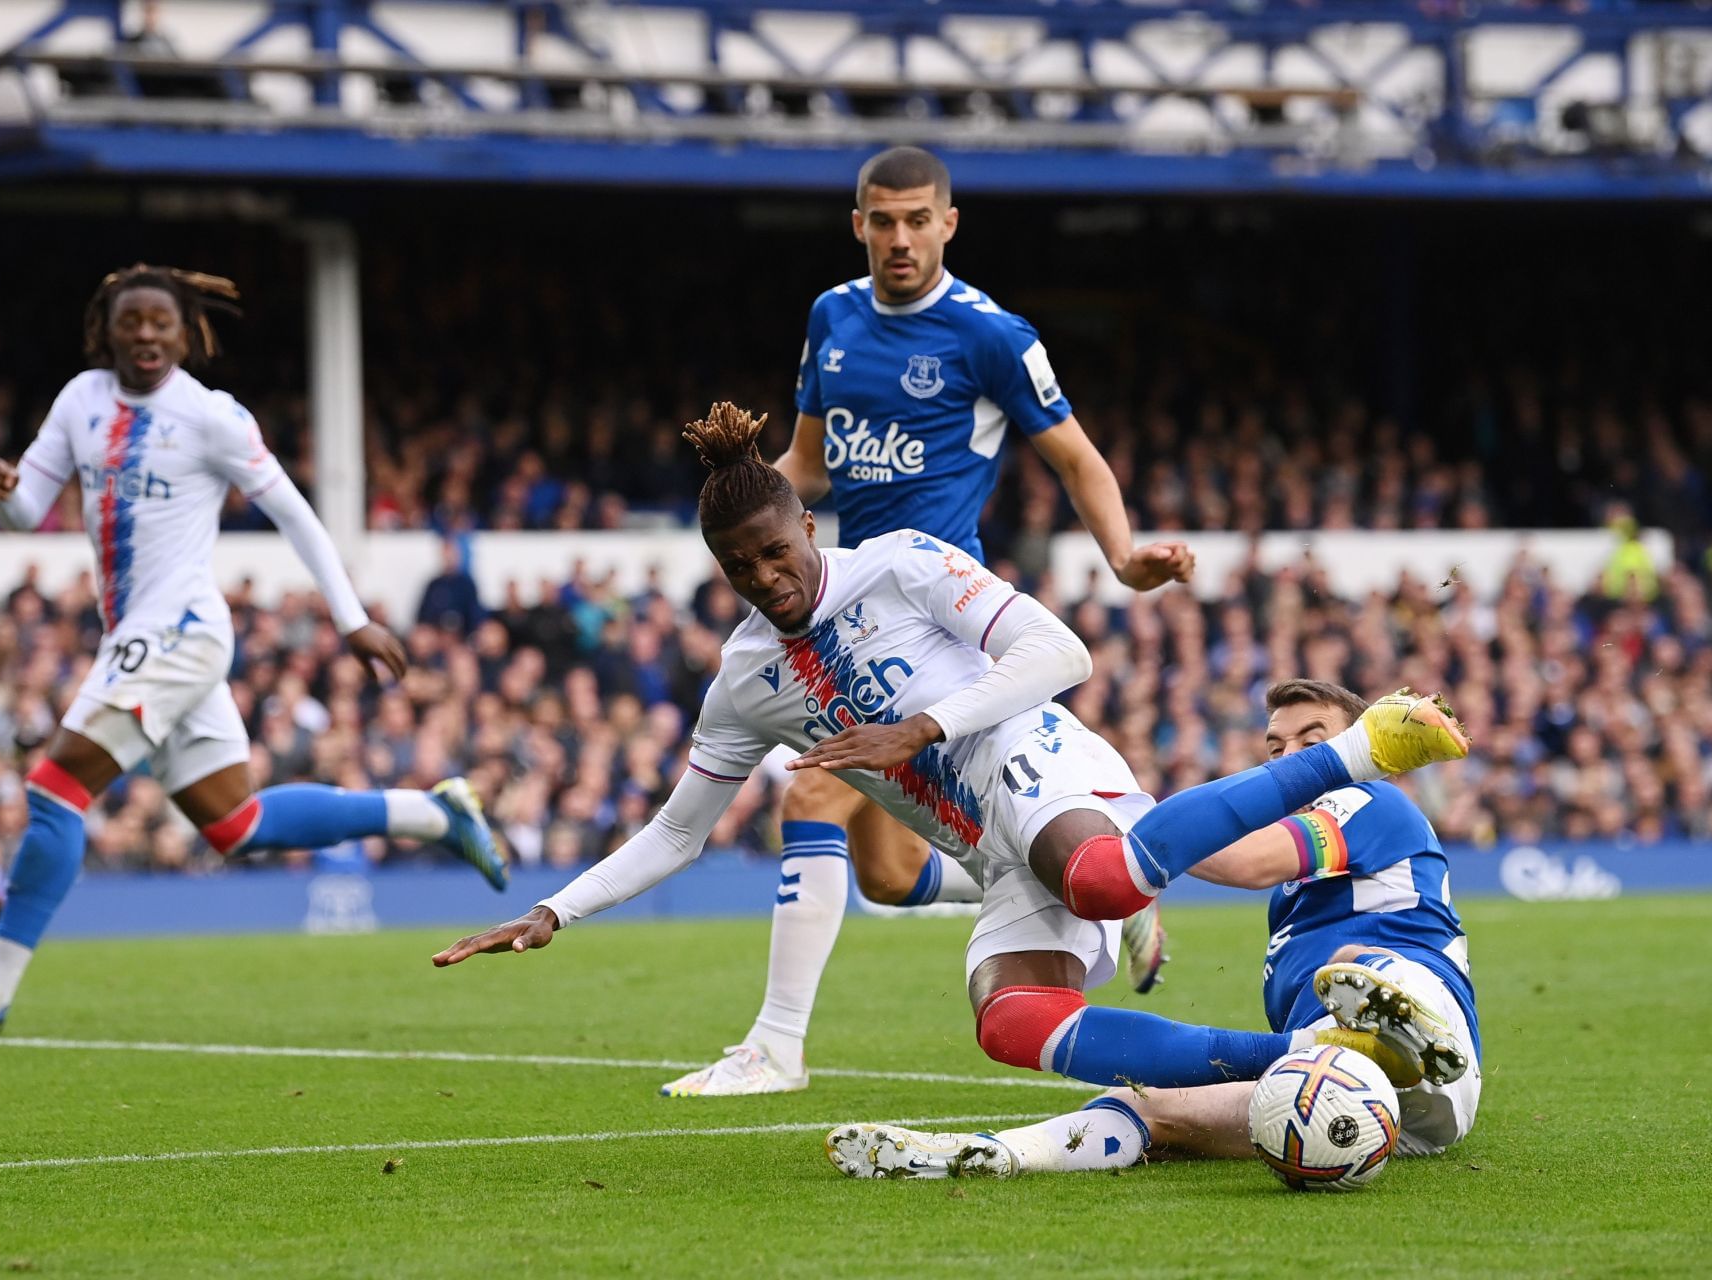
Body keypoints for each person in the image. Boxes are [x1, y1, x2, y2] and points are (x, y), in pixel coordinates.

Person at [433, 405, 1469, 1118]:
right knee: (1012, 1020)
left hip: (1037, 755)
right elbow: (675, 831)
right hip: (989, 843)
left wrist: (919, 729)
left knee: (1104, 878)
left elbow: (1063, 651)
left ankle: (1363, 742)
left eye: (777, 550)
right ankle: (1305, 1059)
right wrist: (554, 911)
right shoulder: (744, 680)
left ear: (806, 522)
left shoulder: (902, 563)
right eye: (741, 567)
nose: (767, 576)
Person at [666, 146, 1196, 1097]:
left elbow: (1075, 458)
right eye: (882, 220)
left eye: (918, 219)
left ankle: (775, 1046)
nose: (899, 238)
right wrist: (734, 521)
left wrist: (1122, 557)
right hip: (835, 605)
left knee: (812, 793)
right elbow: (811, 467)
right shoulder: (832, 318)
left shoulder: (990, 335)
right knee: (884, 875)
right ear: (858, 223)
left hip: (933, 620)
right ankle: (1092, 906)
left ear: (949, 223)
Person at [0, 263, 505, 1033]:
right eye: (132, 321)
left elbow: (297, 513)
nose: (146, 334)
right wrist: (7, 494)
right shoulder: (80, 400)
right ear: (106, 328)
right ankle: (434, 814)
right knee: (234, 825)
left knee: (53, 789)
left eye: (161, 322)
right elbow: (28, 512)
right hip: (146, 638)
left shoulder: (212, 418)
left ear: (187, 333)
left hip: (177, 632)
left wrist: (350, 618)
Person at [822, 678, 1482, 1179]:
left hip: (1425, 1043)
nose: (1292, 760)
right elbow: (896, 881)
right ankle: (995, 1155)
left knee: (1355, 964)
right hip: (1365, 1106)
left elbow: (1247, 859)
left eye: (1316, 742)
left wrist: (1123, 844)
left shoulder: (1370, 798)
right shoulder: (1304, 891)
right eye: (1276, 747)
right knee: (1151, 1107)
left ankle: (1395, 1034)